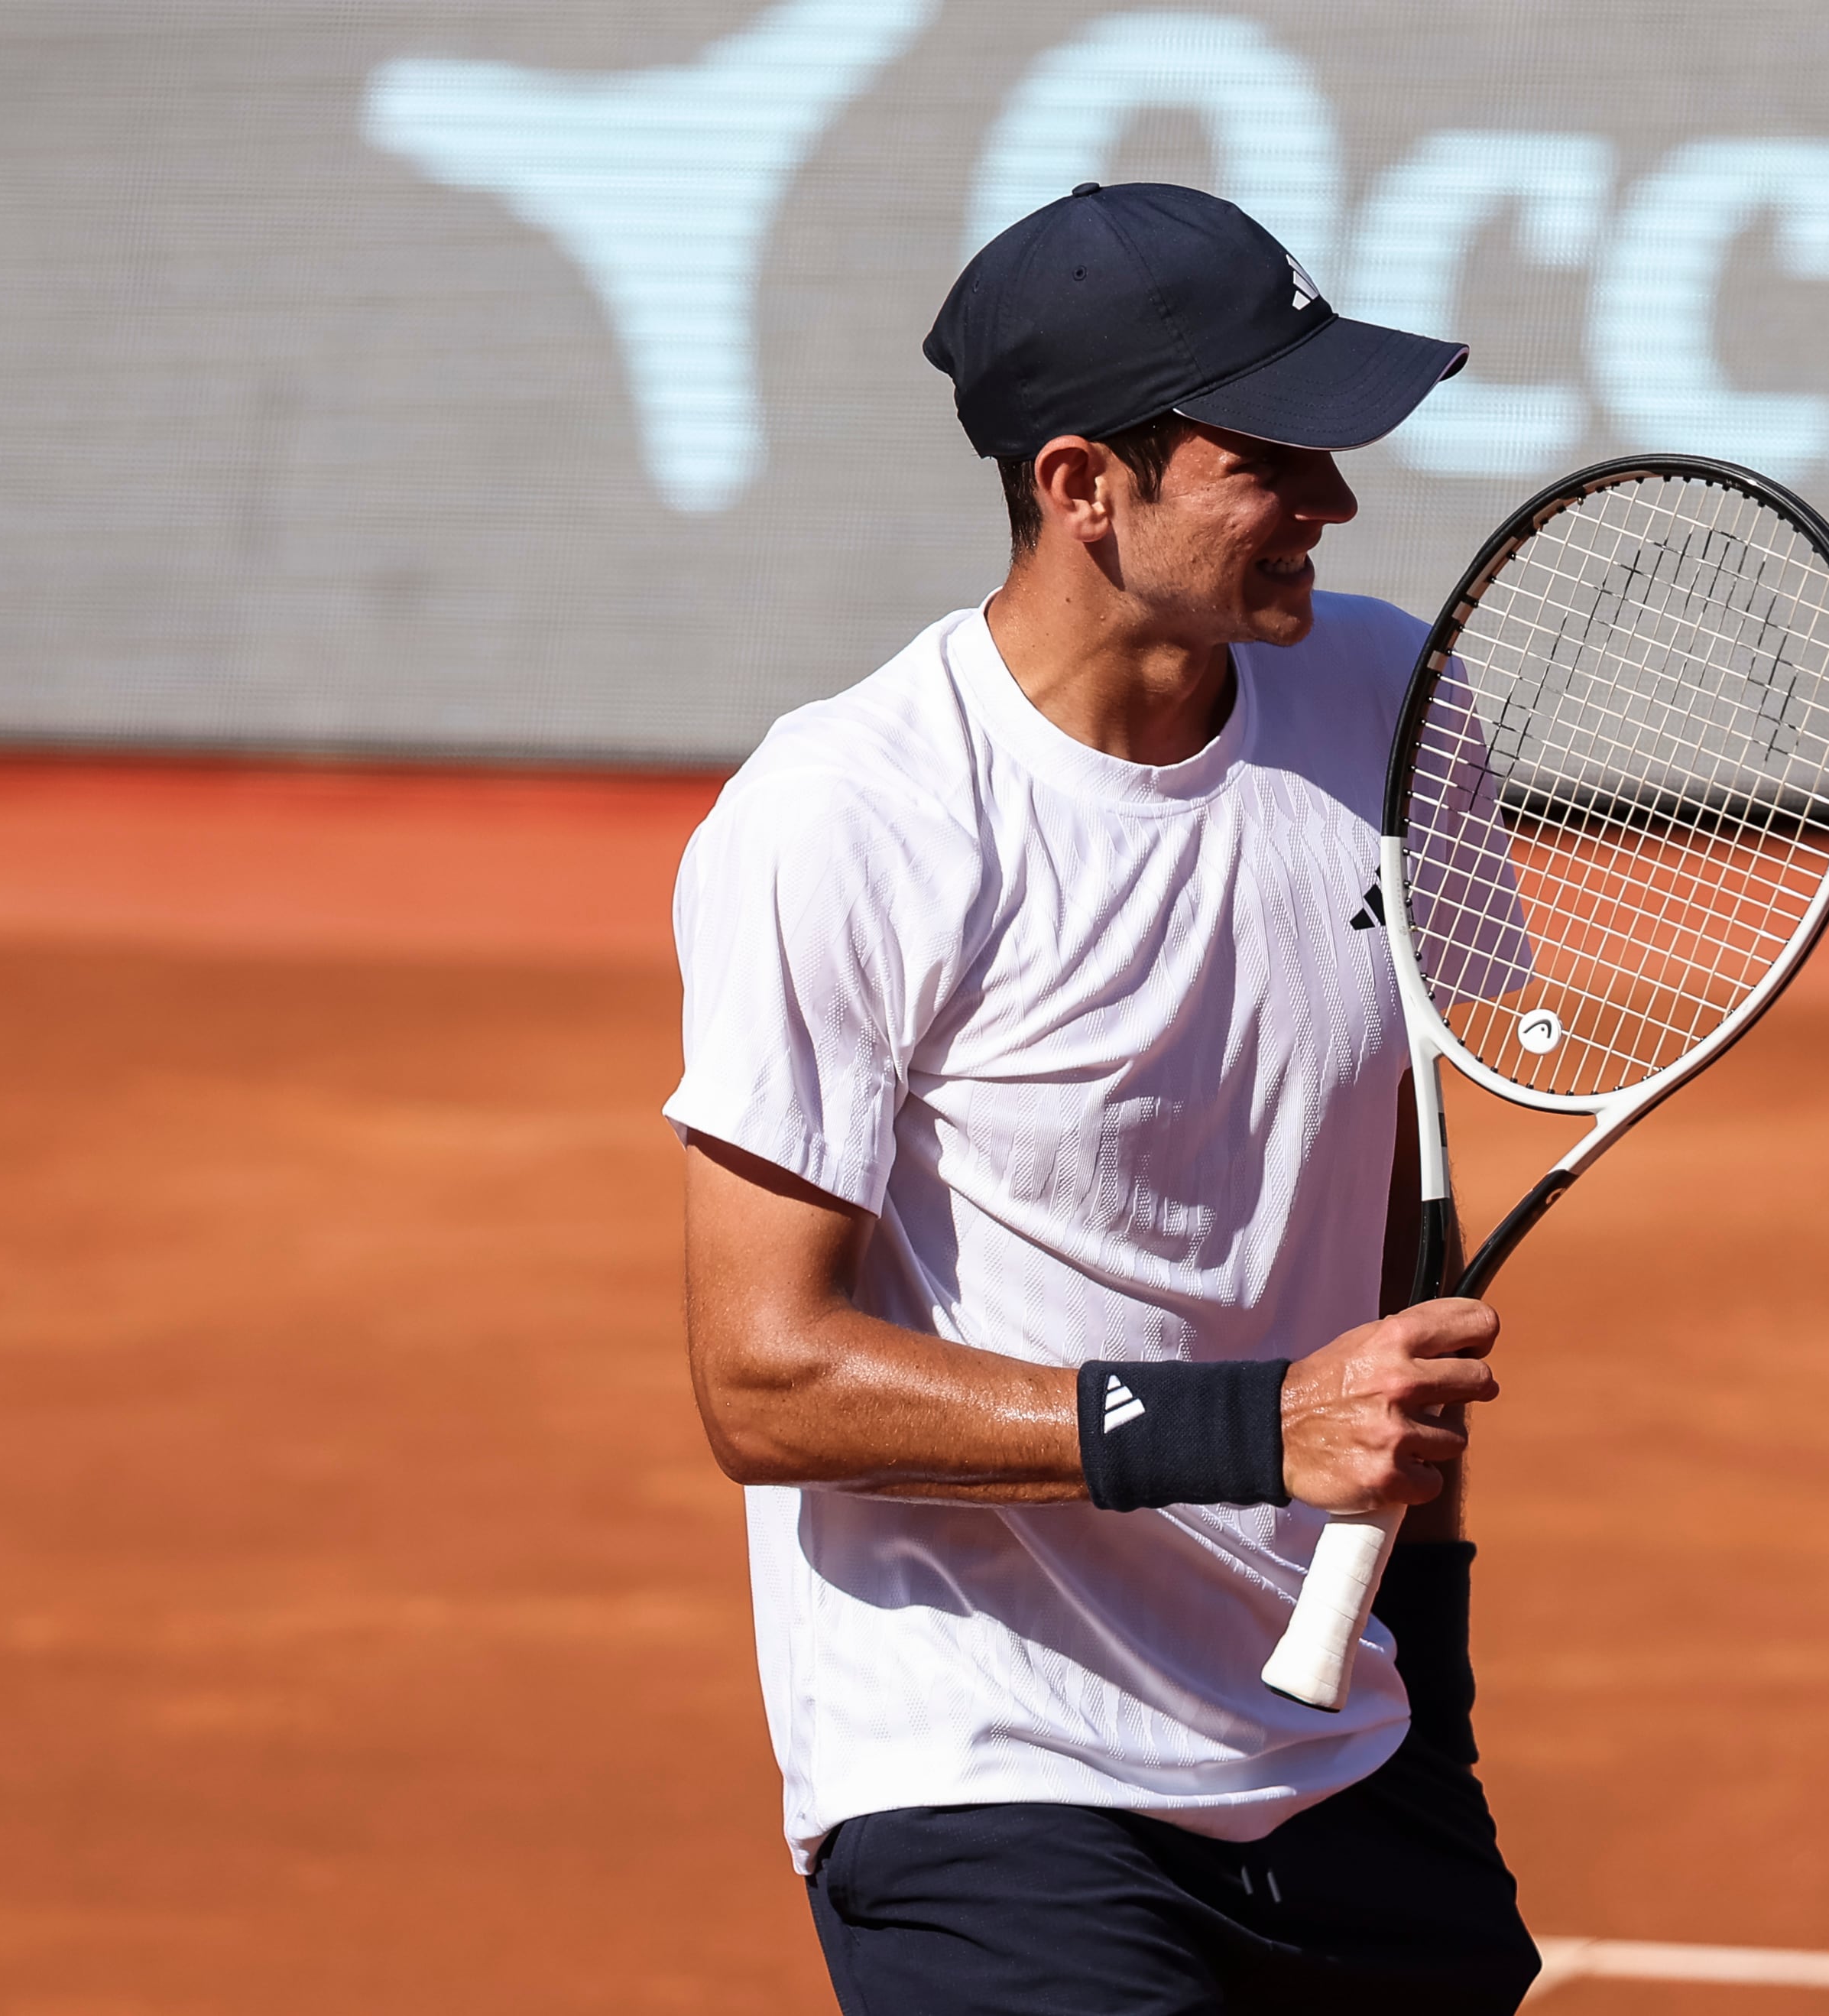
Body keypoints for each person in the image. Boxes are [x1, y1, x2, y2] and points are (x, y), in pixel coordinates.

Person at [663, 181, 1542, 2014]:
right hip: (989, 1763)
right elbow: (763, 1373)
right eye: (1273, 457)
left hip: (1327, 1728)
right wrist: (1248, 1428)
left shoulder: (1392, 701)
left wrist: (1424, 1658)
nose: (1336, 502)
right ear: (1083, 486)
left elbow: (1384, 1228)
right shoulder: (849, 814)